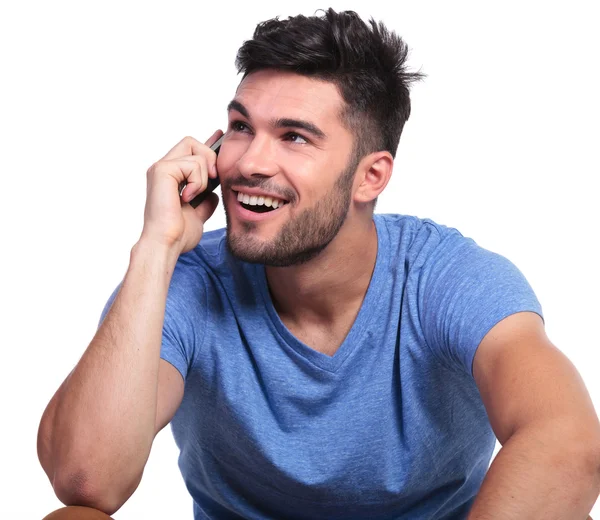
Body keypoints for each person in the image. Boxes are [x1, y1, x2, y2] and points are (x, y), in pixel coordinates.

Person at [38, 8, 600, 520]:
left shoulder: (446, 277)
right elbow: (86, 480)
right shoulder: (187, 280)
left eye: (294, 137)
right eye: (240, 127)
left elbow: (569, 441)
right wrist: (155, 248)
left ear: (370, 176)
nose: (250, 162)